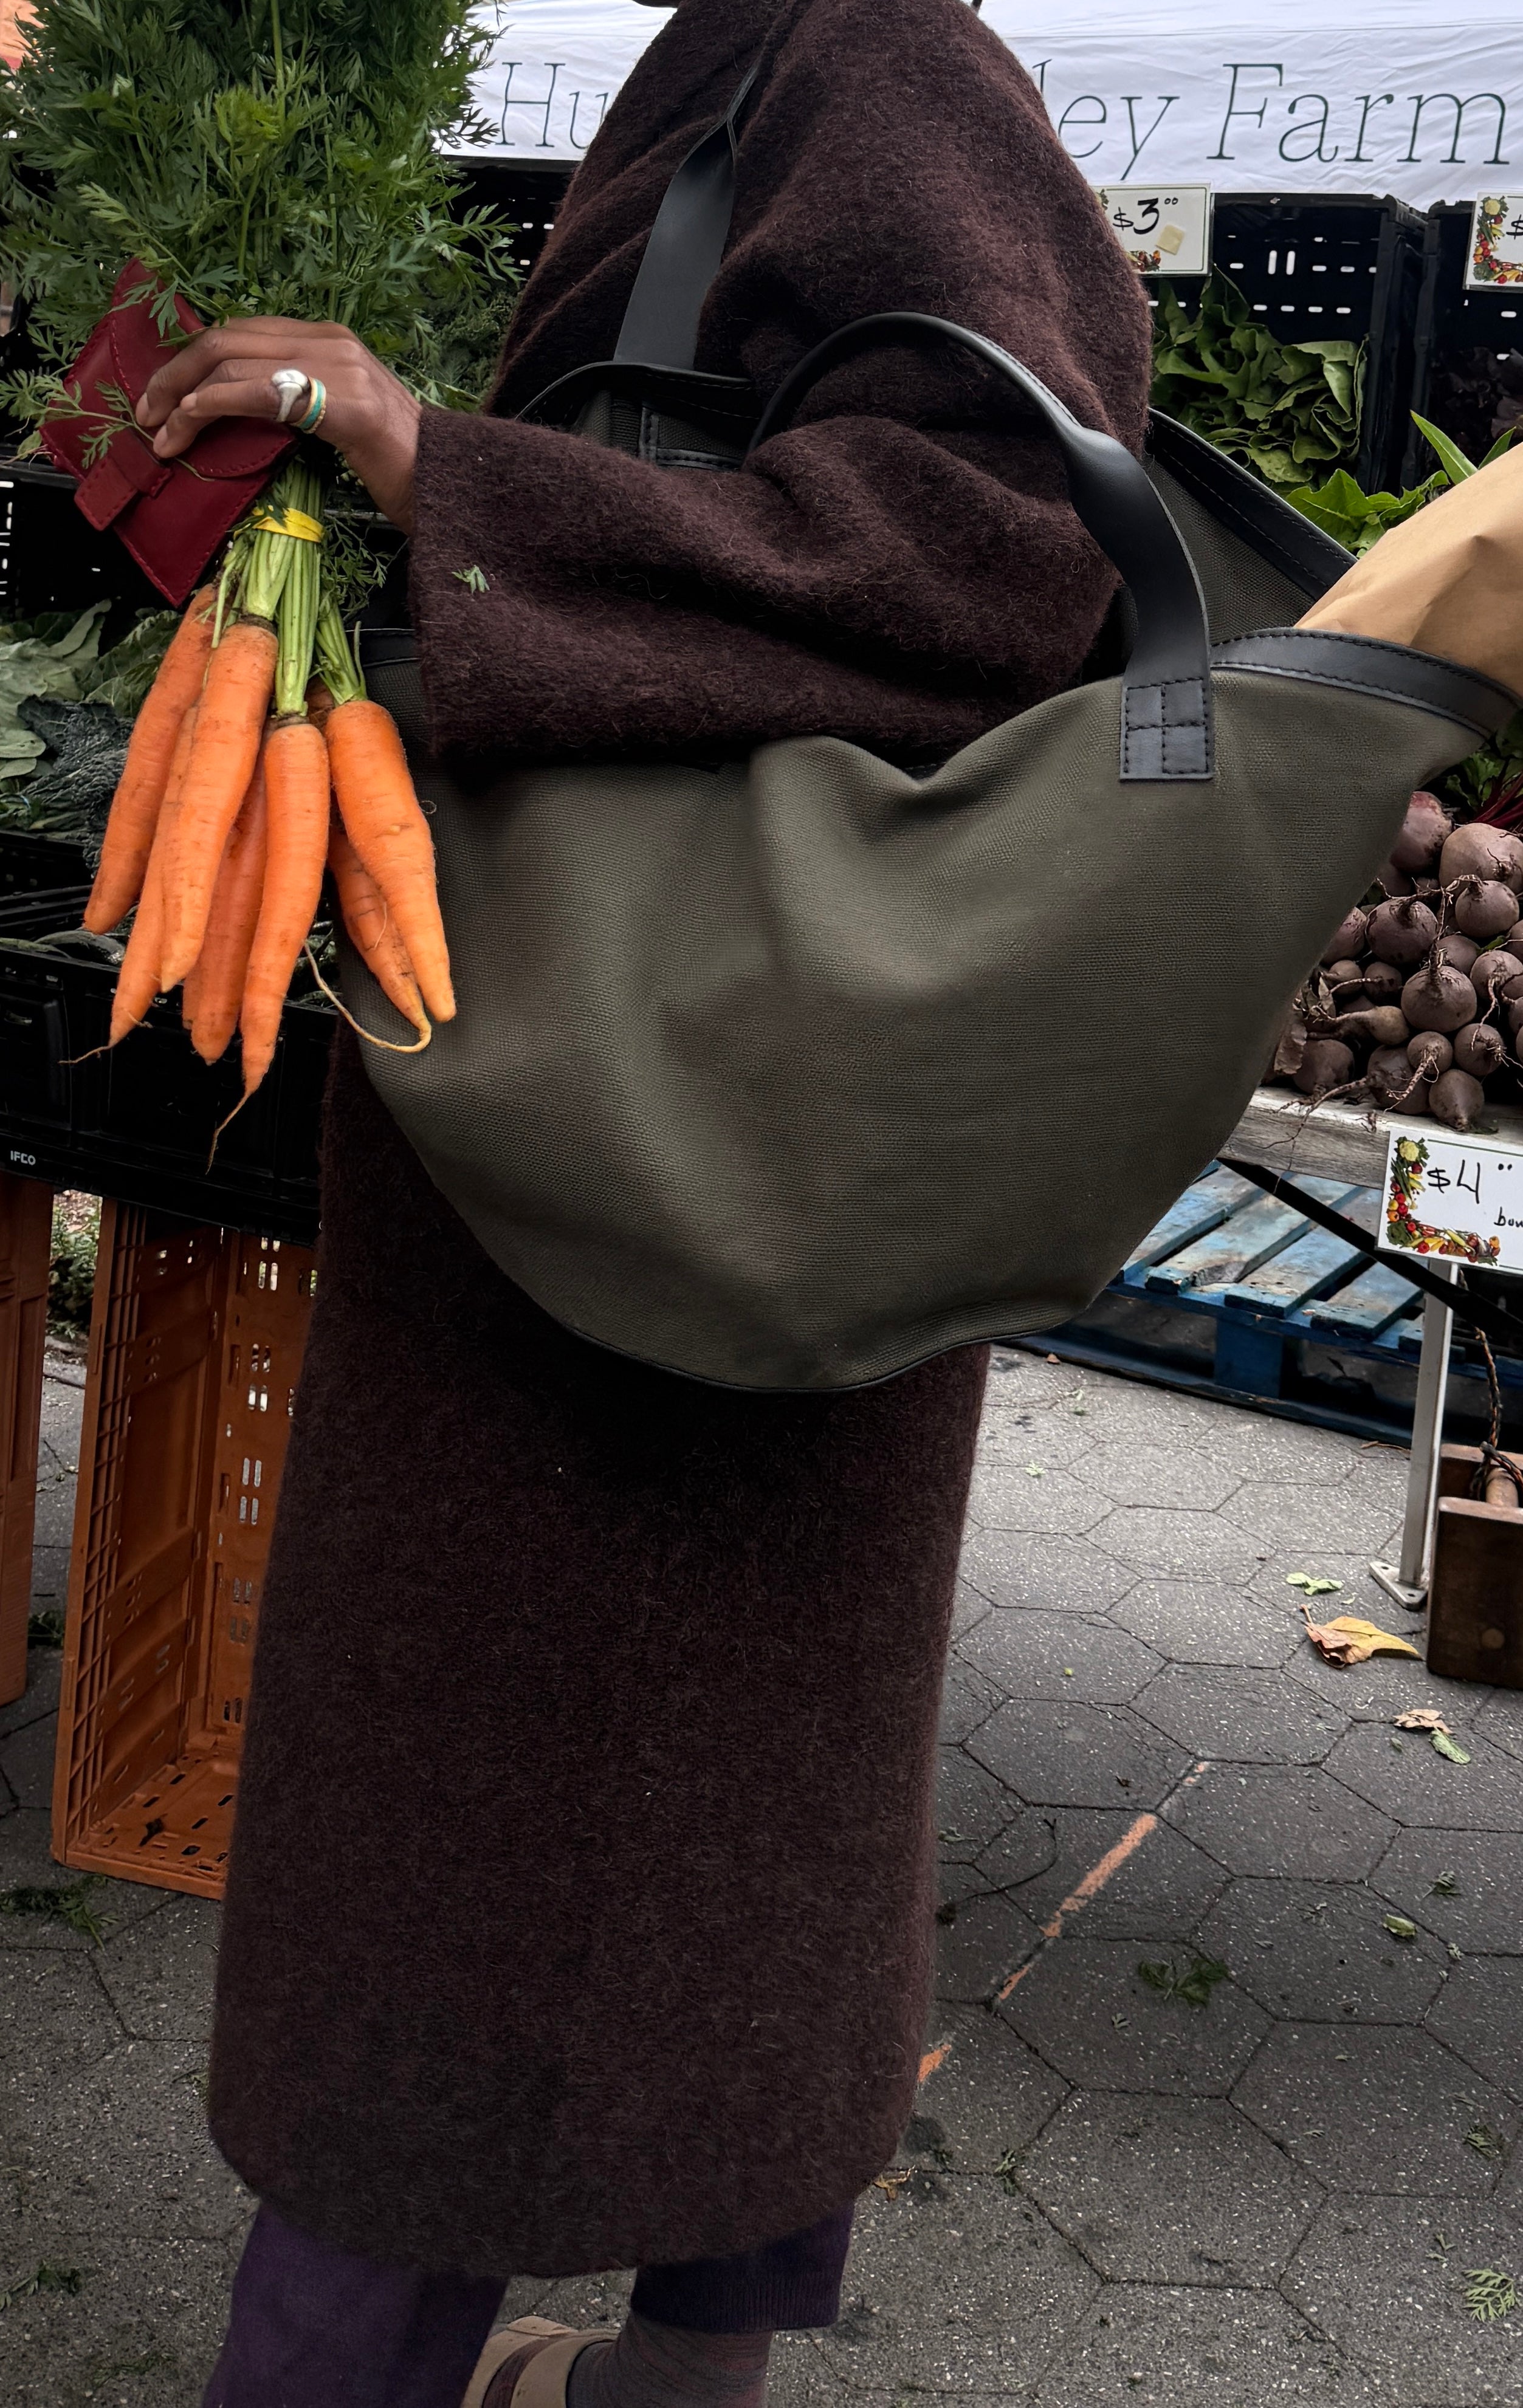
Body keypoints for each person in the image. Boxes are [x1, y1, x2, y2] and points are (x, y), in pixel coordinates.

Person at [136, 1, 1151, 2403]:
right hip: (676, 1159)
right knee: (707, 1920)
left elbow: (993, 551)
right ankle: (664, 2385)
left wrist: (437, 470)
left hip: (656, 1174)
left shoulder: (877, 54)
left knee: (465, 1969)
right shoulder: (759, 48)